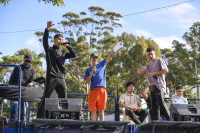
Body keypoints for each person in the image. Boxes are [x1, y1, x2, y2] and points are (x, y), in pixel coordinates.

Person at [37, 21, 77, 119]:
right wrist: (47, 29)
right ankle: (39, 117)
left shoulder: (63, 52)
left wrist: (67, 46)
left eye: (62, 39)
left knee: (64, 99)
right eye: (59, 39)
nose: (61, 40)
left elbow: (74, 54)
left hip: (61, 78)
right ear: (54, 40)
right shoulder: (49, 50)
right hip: (51, 77)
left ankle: (62, 118)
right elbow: (45, 41)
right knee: (46, 97)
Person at [84, 41, 123, 121]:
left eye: (96, 57)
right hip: (93, 90)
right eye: (93, 57)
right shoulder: (88, 70)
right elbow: (87, 81)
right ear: (90, 59)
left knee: (101, 110)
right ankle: (94, 126)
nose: (95, 59)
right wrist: (91, 72)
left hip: (101, 89)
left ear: (97, 59)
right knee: (93, 110)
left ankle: (101, 125)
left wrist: (117, 48)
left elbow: (110, 56)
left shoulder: (102, 64)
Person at [138, 47, 170, 121]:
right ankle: (156, 123)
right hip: (152, 87)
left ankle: (170, 120)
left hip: (159, 85)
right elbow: (139, 72)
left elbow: (166, 70)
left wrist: (154, 73)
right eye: (148, 54)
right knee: (154, 106)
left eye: (151, 54)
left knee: (161, 102)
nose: (150, 56)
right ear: (147, 55)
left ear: (155, 53)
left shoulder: (159, 60)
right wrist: (140, 68)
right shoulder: (148, 65)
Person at [9, 54, 36, 121]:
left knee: (23, 111)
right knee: (13, 108)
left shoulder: (33, 70)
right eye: (26, 61)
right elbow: (11, 79)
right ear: (24, 60)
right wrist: (11, 88)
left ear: (31, 61)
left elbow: (34, 80)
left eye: (29, 61)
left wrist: (32, 83)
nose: (27, 62)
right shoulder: (17, 68)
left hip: (25, 92)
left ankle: (22, 124)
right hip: (15, 90)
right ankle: (11, 123)